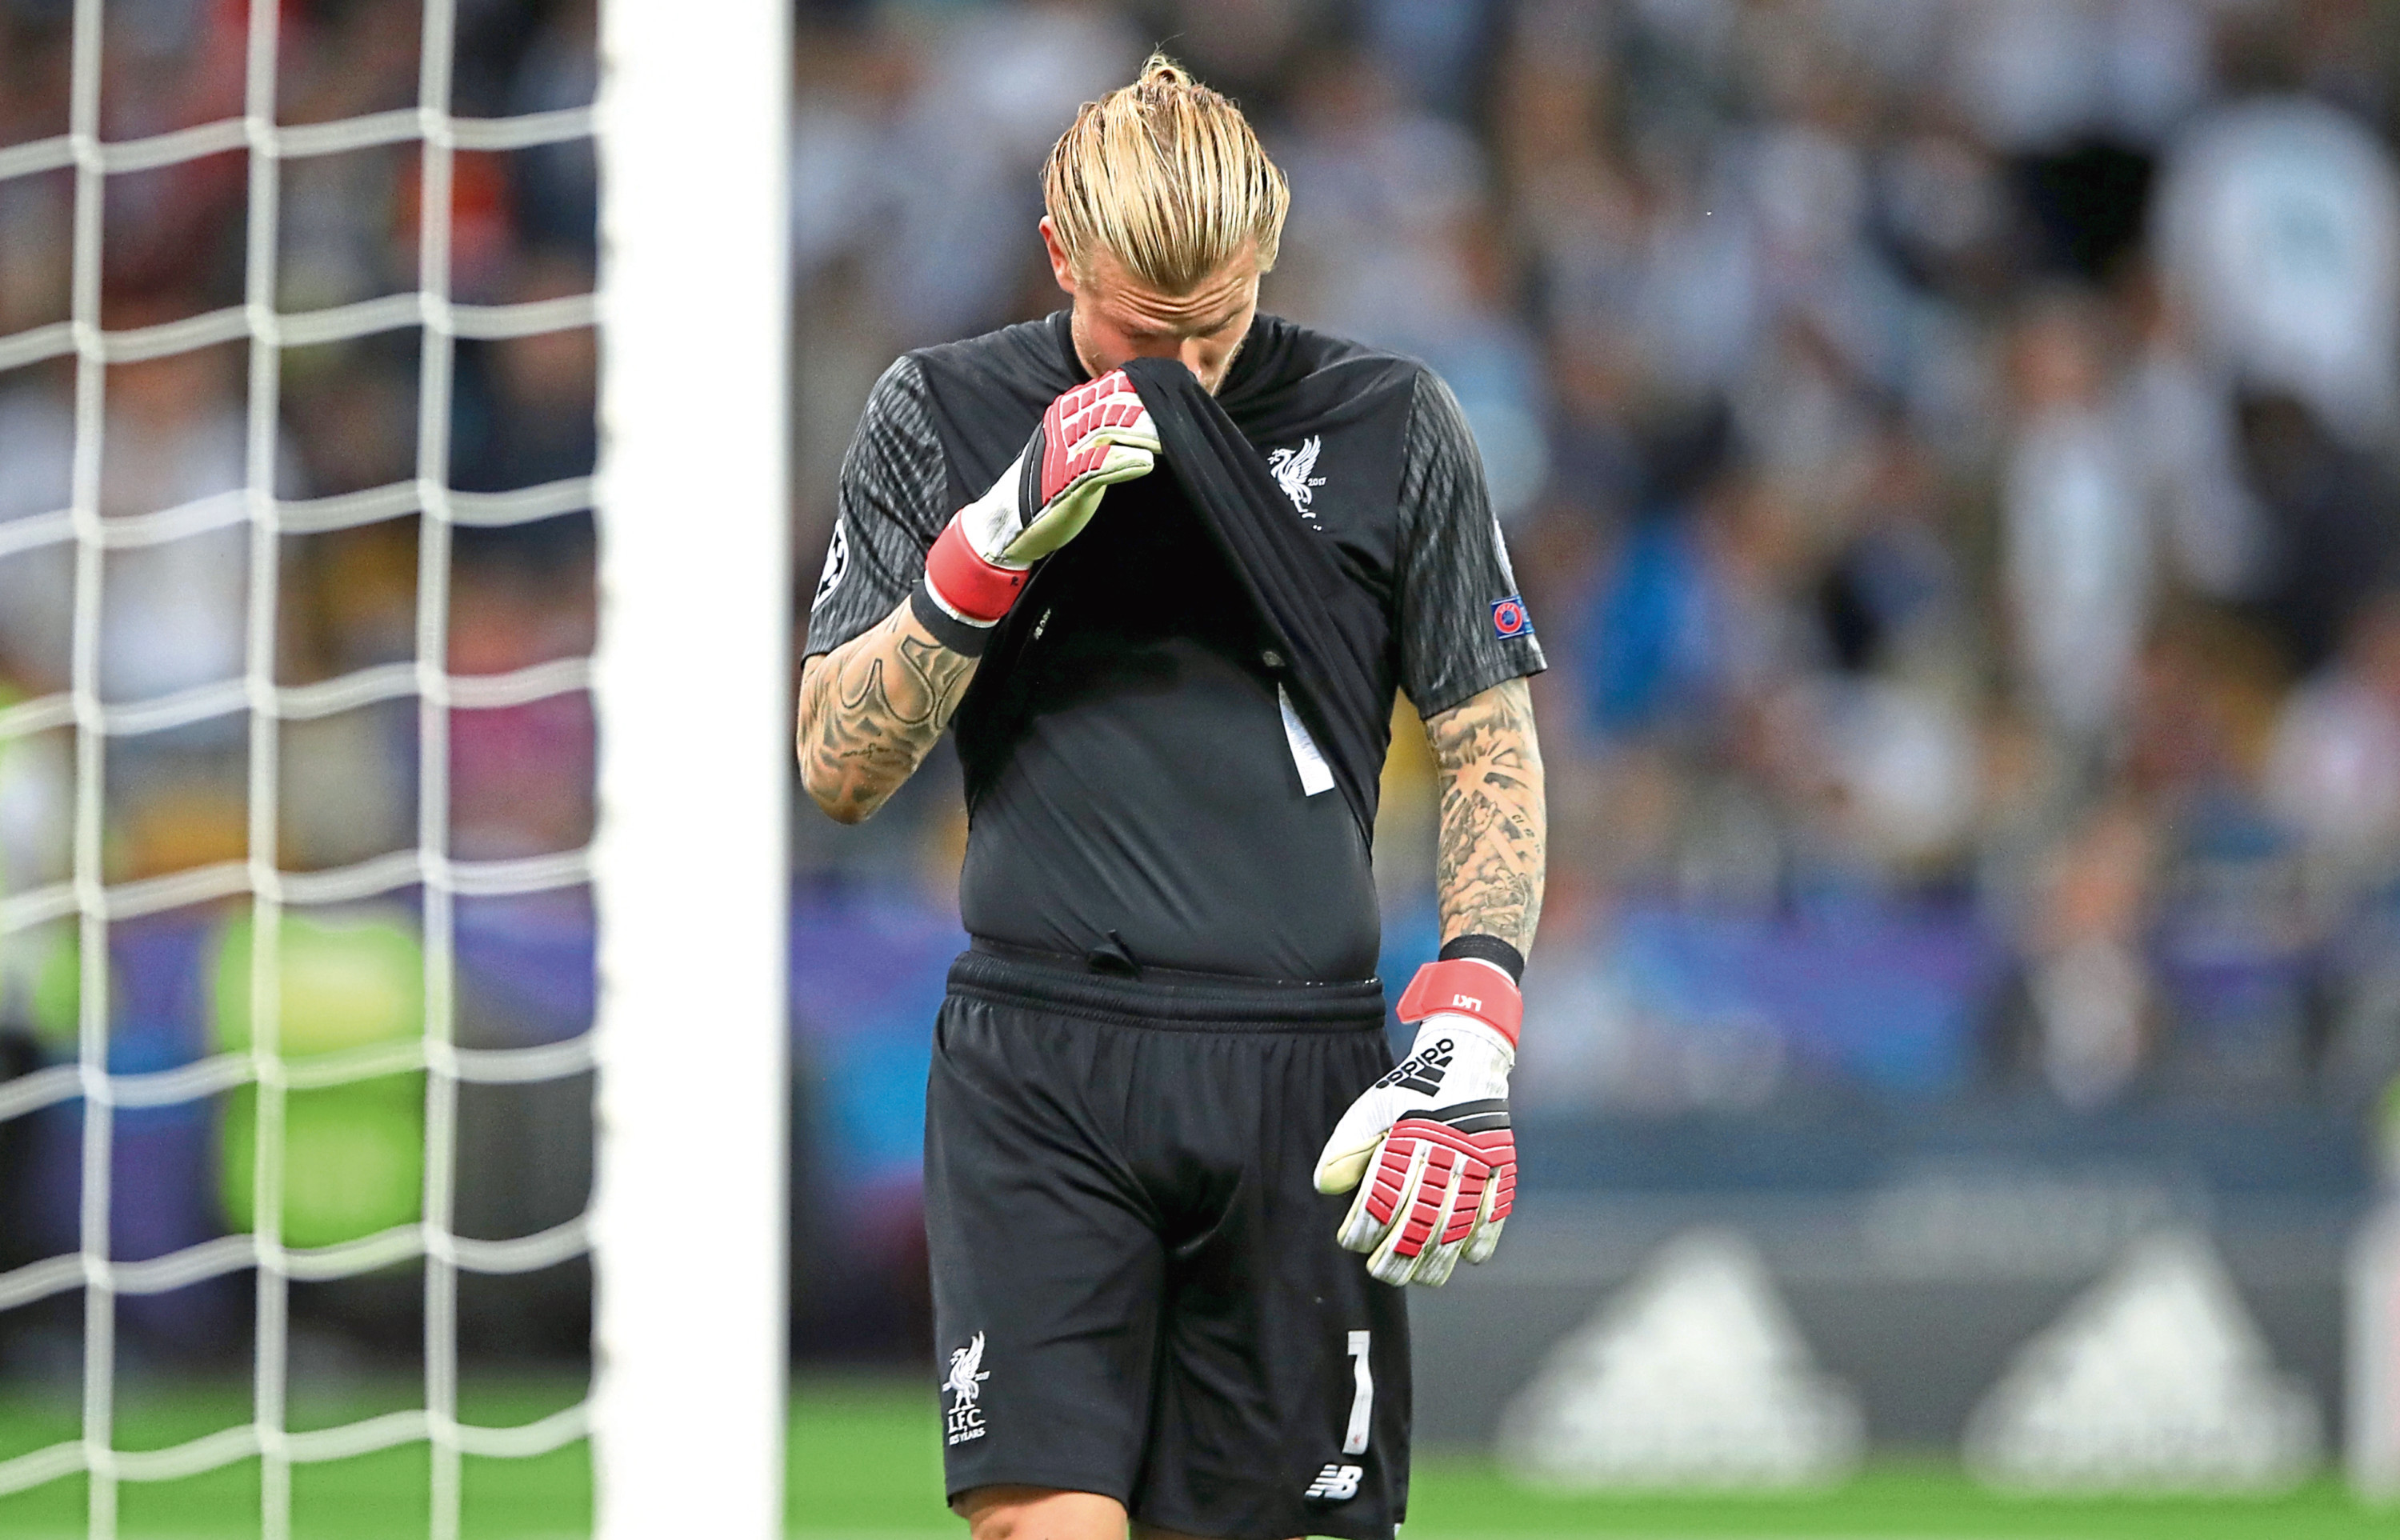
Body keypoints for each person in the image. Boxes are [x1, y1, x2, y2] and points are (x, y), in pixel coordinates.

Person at [797, 55, 1546, 1540]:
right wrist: (990, 543)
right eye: (1144, 332)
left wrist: (1471, 1020)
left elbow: (1491, 745)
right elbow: (835, 762)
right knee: (1042, 1521)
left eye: (1217, 326)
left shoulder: (1393, 423)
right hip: (1043, 1061)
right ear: (1060, 253)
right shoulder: (942, 413)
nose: (1182, 374)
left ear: (1265, 255)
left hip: (1305, 1079)